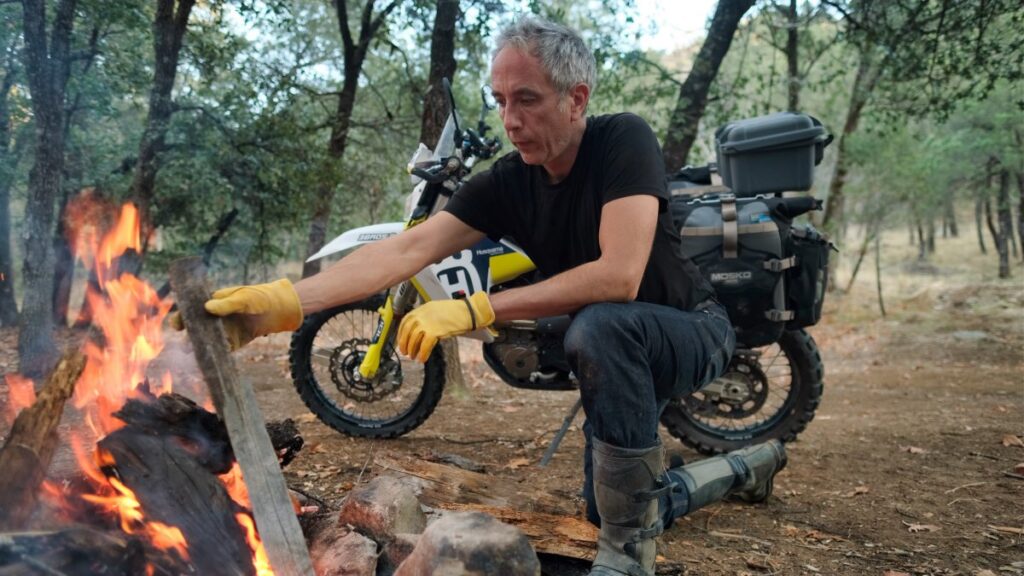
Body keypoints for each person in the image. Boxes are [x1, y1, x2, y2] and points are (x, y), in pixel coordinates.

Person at [189, 17, 787, 576]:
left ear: (575, 99)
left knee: (599, 326)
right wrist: (284, 303)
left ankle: (628, 561)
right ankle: (745, 466)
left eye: (526, 98)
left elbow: (620, 276)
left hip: (691, 330)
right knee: (608, 505)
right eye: (500, 101)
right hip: (622, 351)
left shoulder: (622, 140)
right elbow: (404, 251)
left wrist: (479, 307)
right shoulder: (508, 181)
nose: (510, 119)